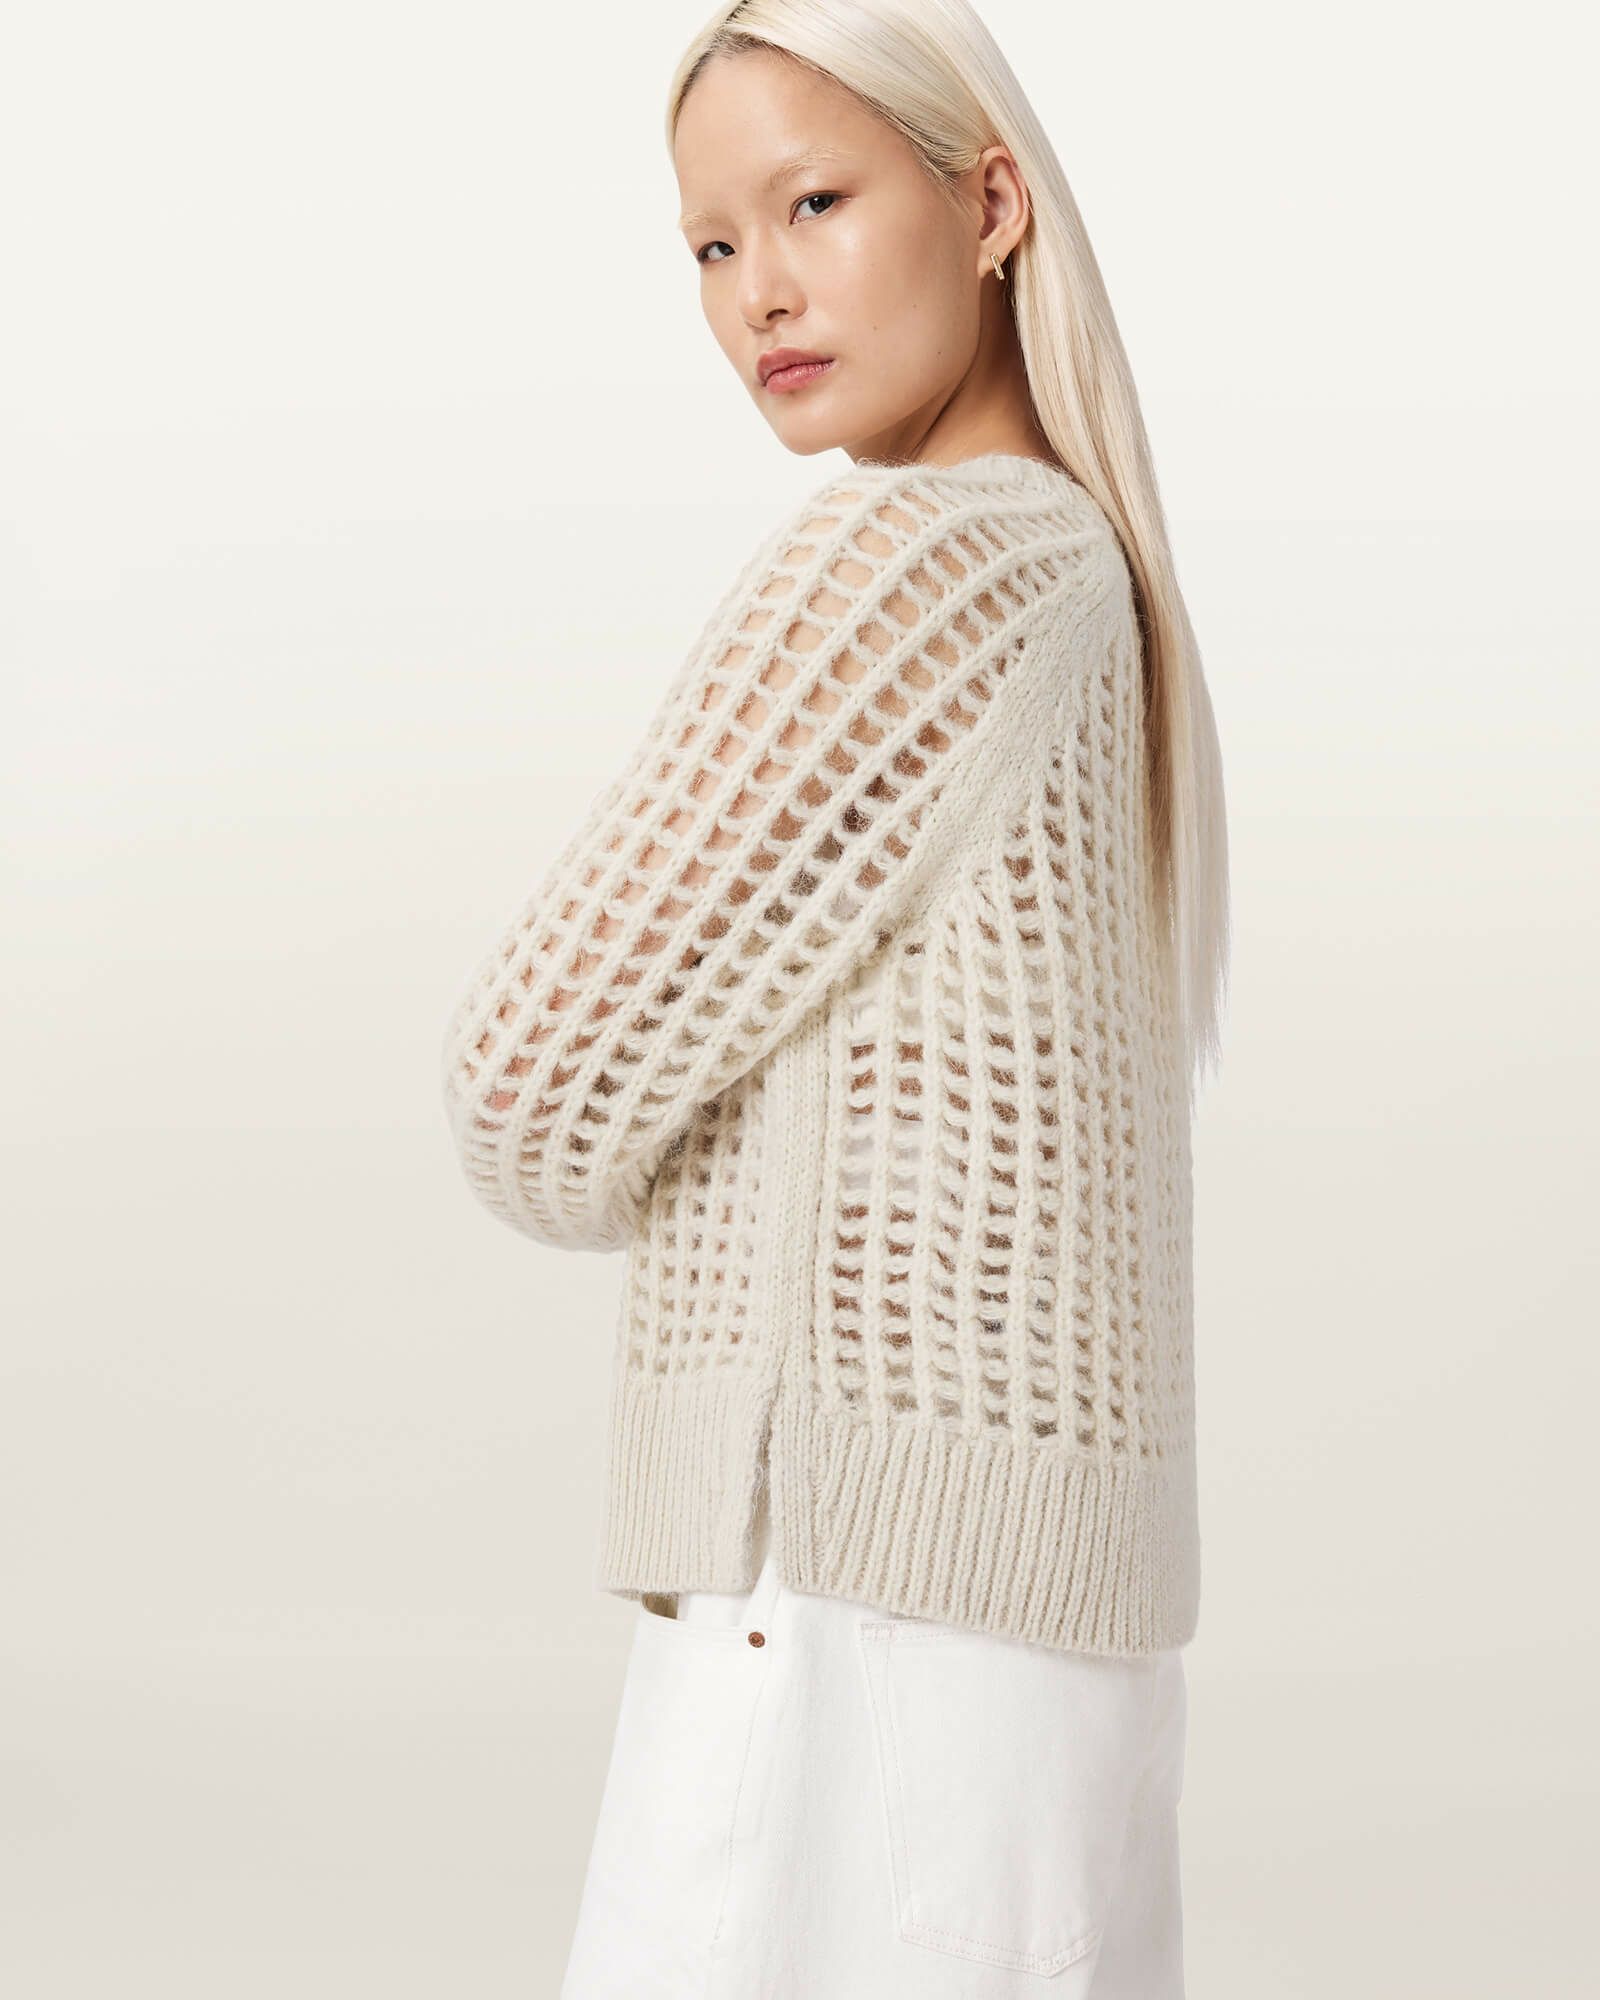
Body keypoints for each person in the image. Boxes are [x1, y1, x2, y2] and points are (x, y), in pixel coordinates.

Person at [438, 1, 1230, 1993]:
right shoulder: (1085, 574)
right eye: (712, 243)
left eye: (813, 203)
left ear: (989, 204)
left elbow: (524, 1092)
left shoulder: (922, 565)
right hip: (1028, 1649)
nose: (759, 293)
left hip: (859, 1623)